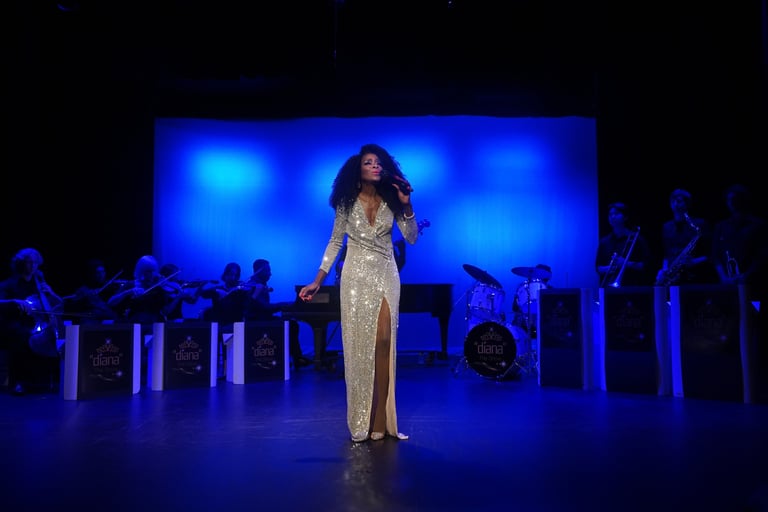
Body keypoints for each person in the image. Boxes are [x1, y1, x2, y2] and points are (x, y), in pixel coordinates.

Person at [299, 143, 419, 442]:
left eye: (379, 162)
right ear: (358, 169)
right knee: (359, 347)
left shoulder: (393, 199)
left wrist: (406, 205)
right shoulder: (345, 203)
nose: (375, 166)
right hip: (355, 277)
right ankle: (363, 419)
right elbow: (335, 242)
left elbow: (412, 238)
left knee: (384, 341)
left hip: (386, 272)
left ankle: (381, 420)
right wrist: (317, 280)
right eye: (369, 162)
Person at [0, 248, 64, 395]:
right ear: (20, 264)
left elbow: (59, 304)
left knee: (54, 337)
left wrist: (52, 293)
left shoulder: (40, 284)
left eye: (35, 263)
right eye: (28, 262)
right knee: (22, 337)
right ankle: (18, 381)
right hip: (15, 322)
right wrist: (14, 301)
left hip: (38, 324)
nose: (32, 266)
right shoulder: (10, 284)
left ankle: (48, 380)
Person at [243, 258, 311, 369]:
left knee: (292, 324)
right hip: (256, 322)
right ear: (259, 271)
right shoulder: (253, 285)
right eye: (267, 271)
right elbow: (265, 308)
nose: (270, 274)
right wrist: (285, 305)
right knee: (292, 326)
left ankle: (292, 358)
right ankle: (293, 358)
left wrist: (286, 305)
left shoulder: (259, 284)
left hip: (263, 319)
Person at [655, 188, 717, 286]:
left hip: (694, 276)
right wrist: (664, 270)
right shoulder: (666, 226)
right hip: (672, 277)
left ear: (687, 204)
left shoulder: (700, 224)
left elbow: (712, 254)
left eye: (679, 201)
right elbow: (666, 254)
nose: (675, 204)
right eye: (673, 201)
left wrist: (694, 262)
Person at [107, 255, 176, 328]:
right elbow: (111, 302)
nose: (152, 274)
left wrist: (172, 294)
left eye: (154, 271)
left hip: (157, 324)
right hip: (136, 324)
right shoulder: (132, 284)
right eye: (148, 271)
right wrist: (128, 292)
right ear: (141, 271)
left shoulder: (159, 286)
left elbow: (166, 310)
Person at [595, 202, 652, 287]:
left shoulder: (637, 239)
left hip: (632, 287)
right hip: (609, 288)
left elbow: (646, 266)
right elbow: (598, 267)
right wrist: (610, 268)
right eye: (610, 214)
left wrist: (626, 263)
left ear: (625, 217)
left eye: (616, 213)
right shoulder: (604, 242)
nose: (612, 216)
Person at [62, 258, 122, 325]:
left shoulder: (110, 286)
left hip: (109, 318)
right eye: (98, 273)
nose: (101, 275)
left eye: (103, 272)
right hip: (92, 320)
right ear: (91, 274)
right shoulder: (84, 289)